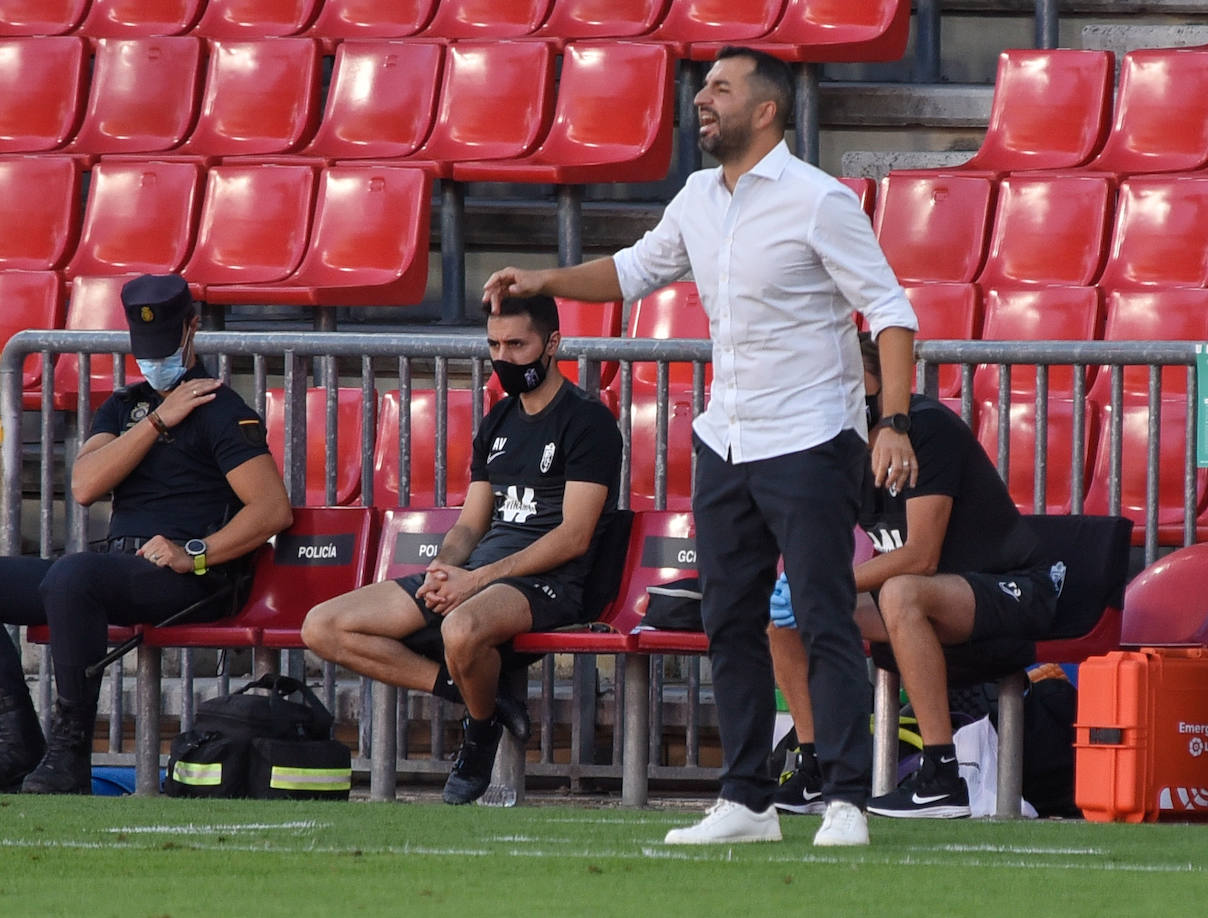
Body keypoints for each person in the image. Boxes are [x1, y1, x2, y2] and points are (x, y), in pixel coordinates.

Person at [483, 47, 917, 846]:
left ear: (767, 111)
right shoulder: (693, 197)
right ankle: (747, 800)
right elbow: (632, 272)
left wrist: (892, 423)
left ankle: (848, 798)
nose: (702, 101)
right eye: (702, 88)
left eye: (721, 89)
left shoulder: (820, 201)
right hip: (726, 437)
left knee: (824, 616)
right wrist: (544, 281)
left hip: (813, 436)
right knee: (730, 621)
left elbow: (890, 312)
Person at [301, 295, 623, 805]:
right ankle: (471, 695)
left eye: (518, 344)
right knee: (322, 626)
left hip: (552, 582)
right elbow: (472, 522)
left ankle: (477, 737)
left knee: (461, 626)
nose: (505, 357)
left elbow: (574, 536)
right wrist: (445, 566)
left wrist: (477, 580)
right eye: (495, 345)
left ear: (553, 344)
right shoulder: (498, 422)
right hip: (480, 573)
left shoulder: (588, 421)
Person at [0, 273, 293, 794]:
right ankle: (16, 742)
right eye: (144, 349)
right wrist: (157, 420)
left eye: (163, 346)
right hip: (119, 567)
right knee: (57, 575)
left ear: (191, 331)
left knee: (74, 576)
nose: (154, 360)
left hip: (190, 577)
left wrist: (195, 553)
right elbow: (87, 485)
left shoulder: (221, 410)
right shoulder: (125, 407)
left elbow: (271, 510)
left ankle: (69, 753)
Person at [769, 334, 1059, 818]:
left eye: (850, 381)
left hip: (1008, 590)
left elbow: (921, 556)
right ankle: (815, 769)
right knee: (783, 615)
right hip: (925, 602)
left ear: (883, 384)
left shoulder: (925, 429)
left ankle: (942, 775)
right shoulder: (836, 447)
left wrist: (832, 583)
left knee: (901, 592)